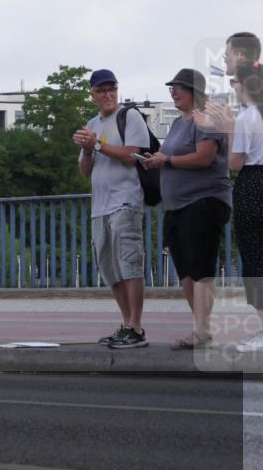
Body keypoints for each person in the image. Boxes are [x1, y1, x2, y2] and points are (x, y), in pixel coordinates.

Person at [140, 69, 231, 349]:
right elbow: (173, 156)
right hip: (177, 206)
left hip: (203, 201)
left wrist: (166, 161)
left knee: (201, 268)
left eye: (180, 87)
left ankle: (202, 331)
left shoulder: (207, 118)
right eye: (172, 88)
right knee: (186, 272)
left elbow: (204, 157)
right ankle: (200, 328)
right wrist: (156, 160)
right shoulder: (180, 123)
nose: (174, 92)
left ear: (196, 92)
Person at [72, 69, 150, 349]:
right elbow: (84, 171)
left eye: (111, 89)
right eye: (101, 90)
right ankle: (127, 323)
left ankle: (137, 326)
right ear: (92, 94)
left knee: (129, 264)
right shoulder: (92, 123)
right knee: (109, 268)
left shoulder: (129, 116)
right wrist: (89, 149)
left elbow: (133, 155)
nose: (107, 95)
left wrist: (99, 144)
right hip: (100, 206)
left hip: (125, 200)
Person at [228, 62, 263, 352]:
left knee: (254, 256)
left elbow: (235, 163)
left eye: (234, 82)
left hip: (253, 184)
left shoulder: (246, 118)